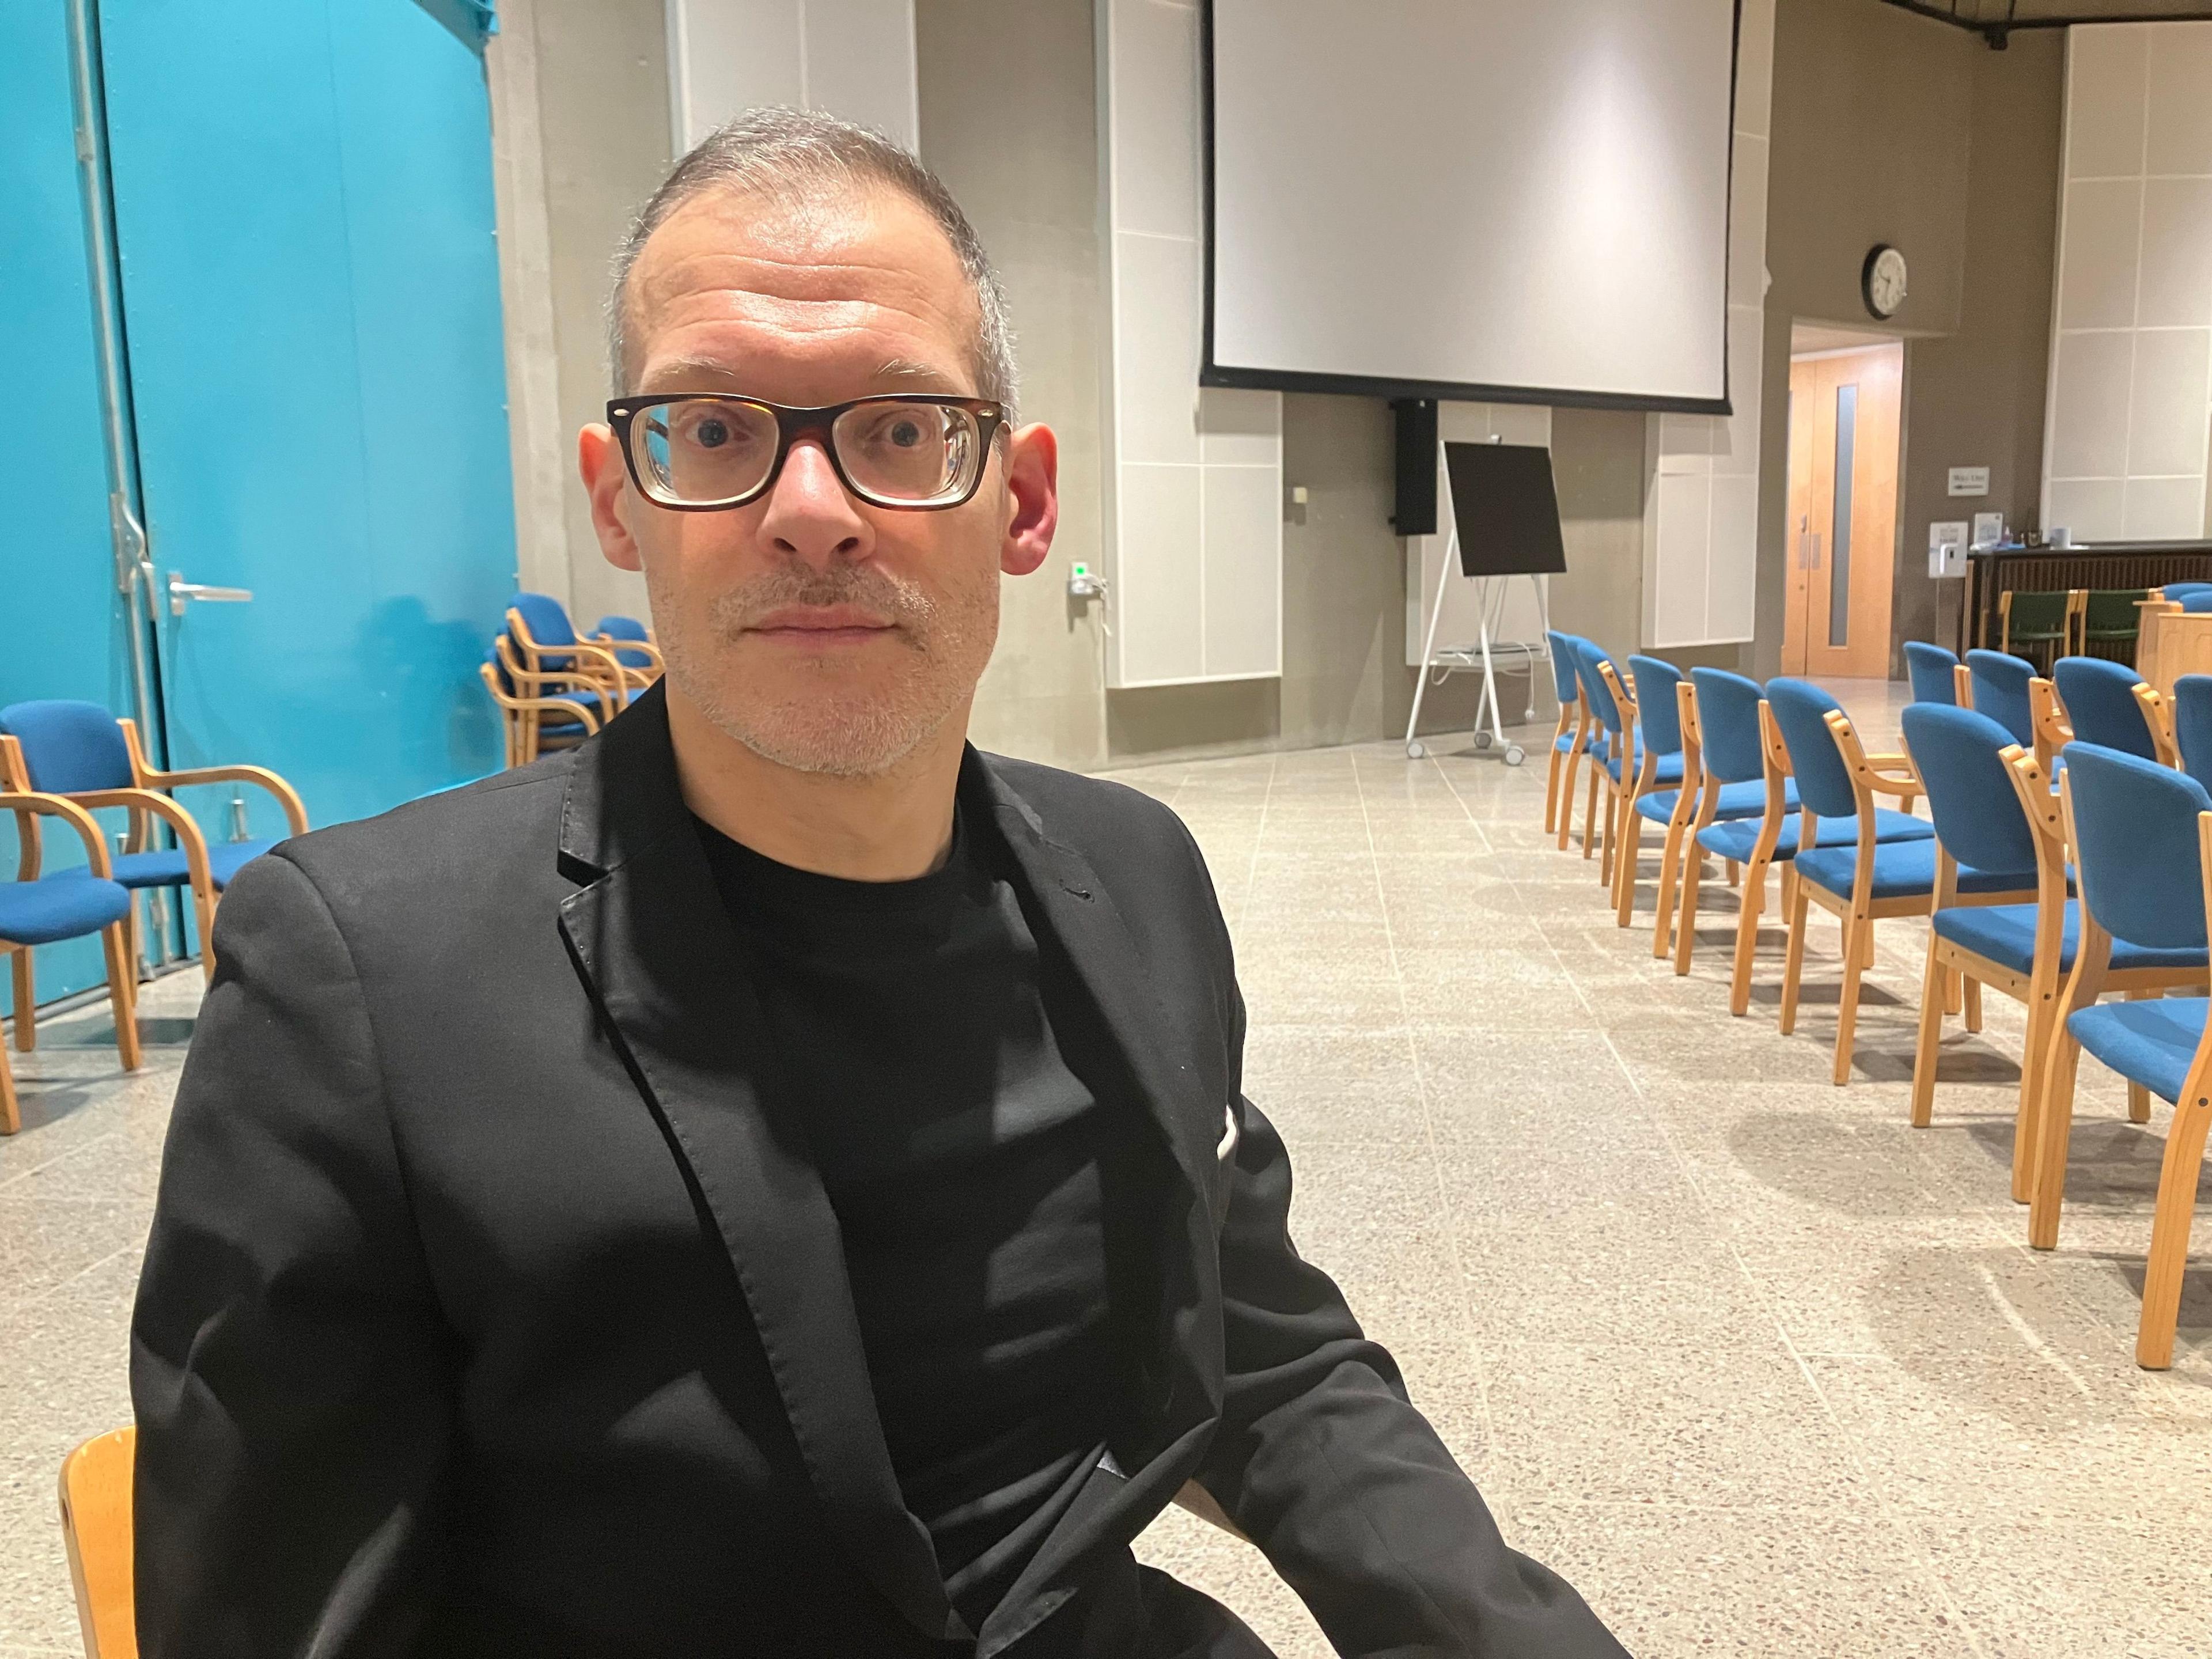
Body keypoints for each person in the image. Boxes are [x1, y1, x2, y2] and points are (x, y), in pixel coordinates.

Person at [131, 108, 1627, 1659]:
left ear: (1024, 502)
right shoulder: (363, 984)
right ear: (619, 499)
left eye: (902, 428)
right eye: (714, 430)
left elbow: (1265, 1347)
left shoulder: (1140, 877)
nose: (813, 509)